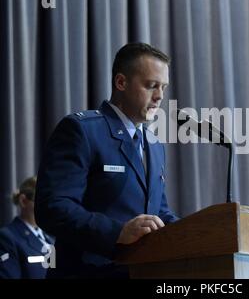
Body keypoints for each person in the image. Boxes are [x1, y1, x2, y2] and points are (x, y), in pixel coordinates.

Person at [35, 42, 179, 278]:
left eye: (163, 87)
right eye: (151, 85)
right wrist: (117, 232)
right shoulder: (82, 130)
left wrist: (196, 232)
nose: (160, 96)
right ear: (121, 82)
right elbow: (53, 207)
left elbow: (158, 212)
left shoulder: (154, 145)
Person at [0, 176, 55, 279]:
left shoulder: (50, 238)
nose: (48, 206)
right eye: (42, 201)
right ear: (23, 201)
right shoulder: (7, 237)